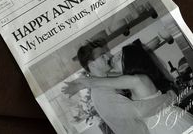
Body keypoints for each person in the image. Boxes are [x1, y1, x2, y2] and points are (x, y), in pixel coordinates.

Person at [63, 40, 193, 134]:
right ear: (92, 65)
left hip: (163, 125)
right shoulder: (101, 93)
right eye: (103, 55)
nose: (109, 56)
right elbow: (140, 111)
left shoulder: (112, 78)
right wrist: (169, 97)